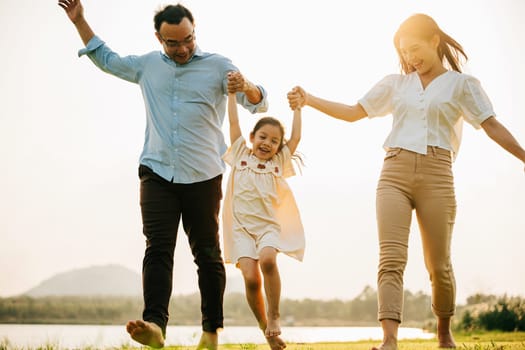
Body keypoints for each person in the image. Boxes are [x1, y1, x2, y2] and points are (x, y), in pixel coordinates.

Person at [288, 13, 525, 350]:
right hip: (394, 172)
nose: (411, 58)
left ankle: (444, 335)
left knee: (438, 264)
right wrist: (310, 99)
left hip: (438, 174)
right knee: (391, 257)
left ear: (434, 41)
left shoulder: (462, 85)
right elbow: (354, 112)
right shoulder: (395, 84)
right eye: (404, 53)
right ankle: (389, 340)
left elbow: (491, 125)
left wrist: (523, 156)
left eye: (415, 49)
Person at [57, 1, 268, 348]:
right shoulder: (148, 66)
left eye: (188, 39)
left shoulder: (218, 65)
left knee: (208, 254)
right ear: (159, 38)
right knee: (157, 249)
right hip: (156, 171)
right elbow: (106, 59)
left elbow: (258, 103)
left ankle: (211, 332)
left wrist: (246, 85)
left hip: (203, 175)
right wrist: (80, 21)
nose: (183, 48)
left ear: (194, 31)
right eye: (173, 43)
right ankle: (155, 325)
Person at [222, 84, 305, 350]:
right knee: (250, 278)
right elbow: (233, 121)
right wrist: (232, 94)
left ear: (279, 147)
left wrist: (298, 109)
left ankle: (275, 315)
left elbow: (296, 138)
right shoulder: (240, 155)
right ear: (252, 137)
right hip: (241, 230)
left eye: (274, 141)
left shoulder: (277, 164)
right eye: (263, 137)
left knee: (268, 260)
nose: (267, 143)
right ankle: (266, 330)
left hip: (268, 227)